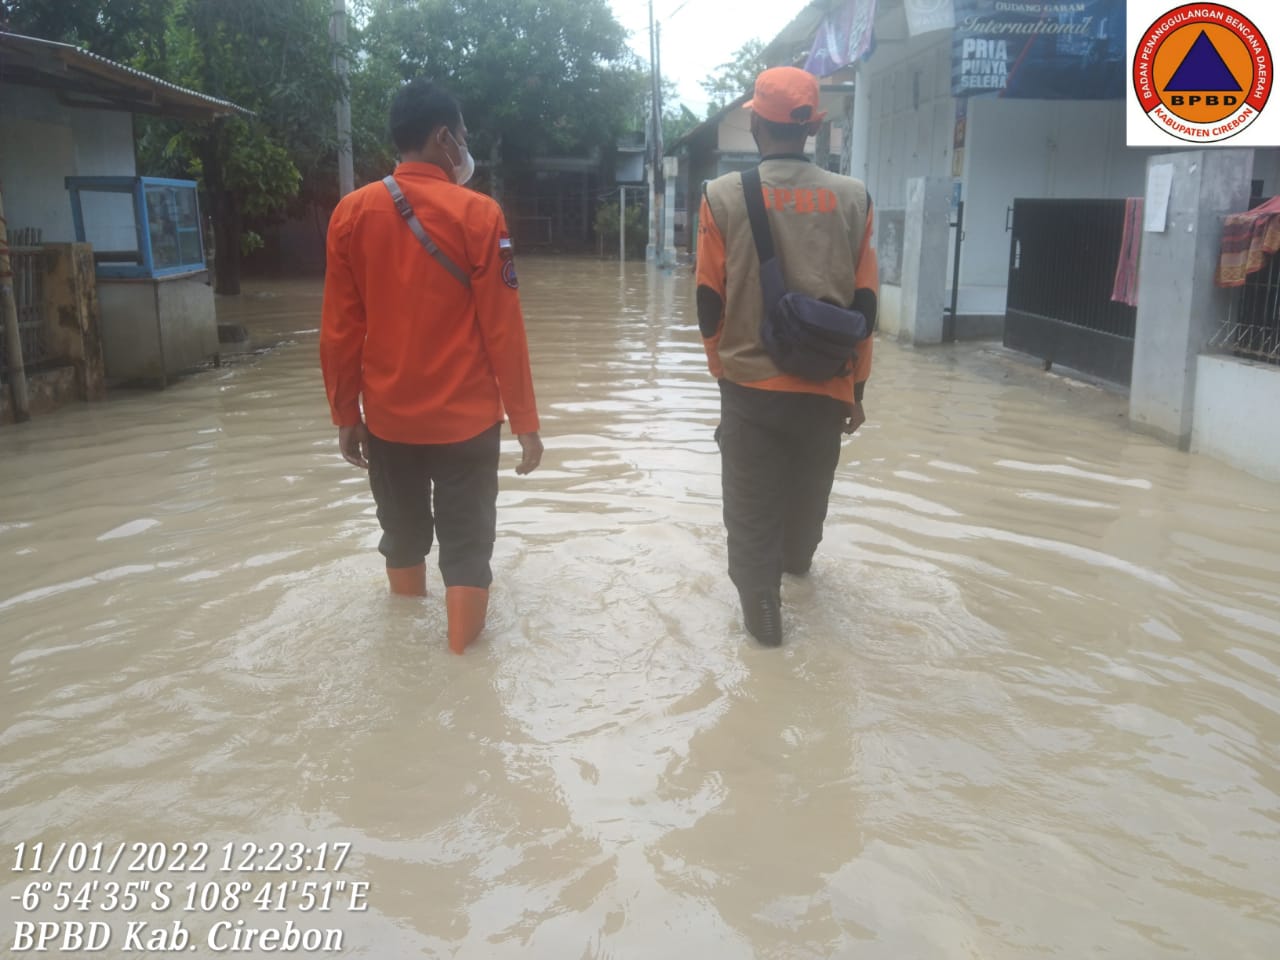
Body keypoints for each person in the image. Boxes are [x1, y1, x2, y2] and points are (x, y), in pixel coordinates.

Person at [320, 78, 543, 655]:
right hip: (466, 424)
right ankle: (461, 666)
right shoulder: (479, 214)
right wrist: (525, 422)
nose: (465, 145)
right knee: (467, 548)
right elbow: (503, 328)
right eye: (463, 134)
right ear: (443, 136)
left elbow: (341, 330)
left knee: (403, 538)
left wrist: (346, 413)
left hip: (388, 420)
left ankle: (403, 658)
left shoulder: (351, 214)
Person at [695, 67, 878, 647]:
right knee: (805, 516)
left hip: (750, 386)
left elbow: (708, 302)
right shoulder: (854, 198)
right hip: (827, 386)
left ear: (754, 121)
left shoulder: (720, 197)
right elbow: (866, 305)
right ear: (814, 126)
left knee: (750, 516)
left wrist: (723, 370)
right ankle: (797, 570)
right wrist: (857, 389)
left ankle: (763, 612)